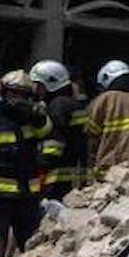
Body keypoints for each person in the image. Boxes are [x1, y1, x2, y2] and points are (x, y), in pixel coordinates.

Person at [0, 70, 52, 257]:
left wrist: (37, 115)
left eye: (22, 94)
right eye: (14, 93)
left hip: (28, 193)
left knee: (31, 244)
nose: (17, 98)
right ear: (4, 92)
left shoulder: (32, 116)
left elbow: (46, 132)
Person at [30, 60, 89, 200]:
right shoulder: (73, 104)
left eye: (38, 85)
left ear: (49, 84)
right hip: (75, 171)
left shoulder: (58, 106)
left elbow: (55, 142)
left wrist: (40, 162)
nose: (35, 89)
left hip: (58, 176)